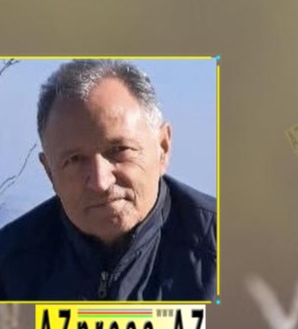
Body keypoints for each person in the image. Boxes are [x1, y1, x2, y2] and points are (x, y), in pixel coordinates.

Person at [0, 60, 215, 301]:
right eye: (75, 160)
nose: (100, 182)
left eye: (120, 150)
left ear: (163, 147)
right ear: (50, 172)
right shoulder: (10, 268)